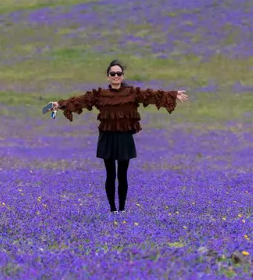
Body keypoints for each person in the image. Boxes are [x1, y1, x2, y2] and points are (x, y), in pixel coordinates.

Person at [49, 60, 188, 213]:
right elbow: (80, 101)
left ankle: (121, 210)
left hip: (124, 138)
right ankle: (112, 210)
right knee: (110, 174)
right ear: (108, 77)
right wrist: (60, 104)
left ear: (123, 76)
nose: (116, 76)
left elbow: (151, 96)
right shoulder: (99, 95)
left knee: (122, 175)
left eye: (119, 74)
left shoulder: (132, 93)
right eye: (112, 74)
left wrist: (173, 94)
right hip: (107, 138)